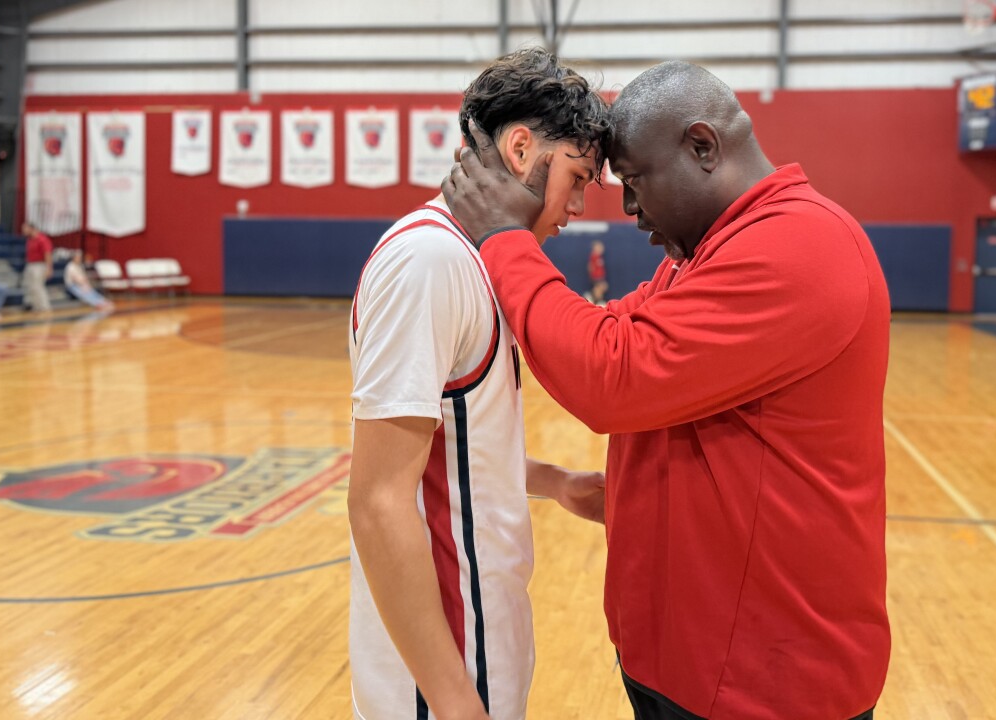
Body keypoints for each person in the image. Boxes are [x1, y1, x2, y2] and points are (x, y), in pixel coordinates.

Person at [443, 61, 889, 720]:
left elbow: (608, 377)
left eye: (634, 183)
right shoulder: (705, 253)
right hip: (693, 657)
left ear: (702, 146)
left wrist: (506, 240)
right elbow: (610, 331)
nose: (629, 210)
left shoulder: (800, 246)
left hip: (764, 682)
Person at [345, 48, 609, 720]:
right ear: (521, 149)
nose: (579, 206)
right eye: (576, 178)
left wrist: (553, 481)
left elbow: (454, 450)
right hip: (446, 669)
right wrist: (453, 700)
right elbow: (378, 501)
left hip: (478, 637)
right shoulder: (429, 260)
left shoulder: (473, 256)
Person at [22, 222, 53, 312]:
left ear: (31, 228)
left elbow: (48, 254)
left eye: (25, 228)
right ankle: (35, 306)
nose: (23, 230)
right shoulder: (29, 240)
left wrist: (49, 268)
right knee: (30, 287)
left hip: (39, 265)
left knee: (38, 286)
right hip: (30, 264)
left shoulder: (42, 239)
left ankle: (45, 307)